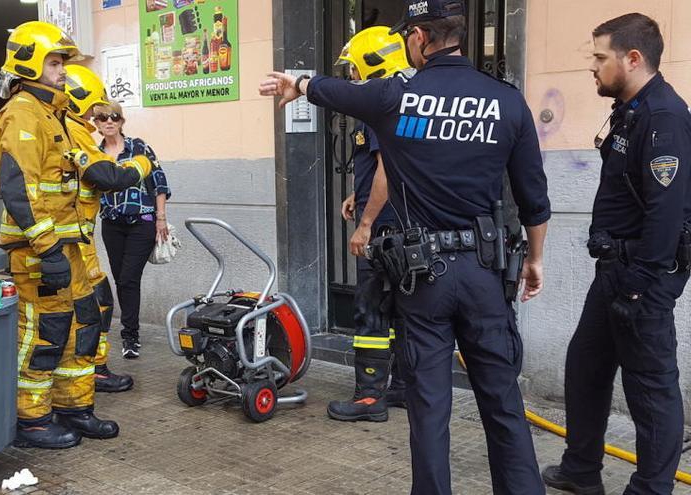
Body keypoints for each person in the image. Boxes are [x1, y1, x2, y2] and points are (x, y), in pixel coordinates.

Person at [260, 0, 551, 492]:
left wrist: (300, 84)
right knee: (502, 401)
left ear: (418, 38)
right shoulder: (505, 99)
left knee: (430, 406)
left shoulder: (398, 95)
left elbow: (343, 91)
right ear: (457, 34)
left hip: (425, 276)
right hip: (486, 272)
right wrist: (536, 260)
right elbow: (534, 198)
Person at [542, 14, 691, 495]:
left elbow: (666, 215)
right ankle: (582, 470)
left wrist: (639, 284)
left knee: (650, 389)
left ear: (632, 58)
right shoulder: (630, 110)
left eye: (601, 57)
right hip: (615, 268)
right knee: (585, 365)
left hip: (641, 274)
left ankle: (651, 488)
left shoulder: (664, 117)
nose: (593, 66)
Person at [0, 21, 122, 449]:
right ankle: (32, 419)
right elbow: (18, 186)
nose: (62, 68)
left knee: (84, 323)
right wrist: (46, 247)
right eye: (54, 60)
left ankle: (74, 407)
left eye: (63, 60)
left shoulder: (55, 113)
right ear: (28, 61)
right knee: (44, 331)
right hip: (38, 251)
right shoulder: (22, 114)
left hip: (72, 247)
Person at [325, 26, 409, 423]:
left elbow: (387, 169)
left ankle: (370, 397)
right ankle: (405, 388)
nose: (351, 79)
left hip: (383, 230)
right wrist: (356, 197)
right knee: (404, 311)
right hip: (401, 226)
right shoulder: (403, 99)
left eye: (353, 70)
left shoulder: (379, 106)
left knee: (371, 311)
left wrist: (366, 223)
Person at [63, 64, 152, 393]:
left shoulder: (66, 128)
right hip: (71, 237)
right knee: (93, 302)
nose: (98, 119)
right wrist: (140, 165)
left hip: (78, 235)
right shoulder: (75, 134)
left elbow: (158, 187)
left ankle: (94, 366)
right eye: (95, 113)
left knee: (102, 297)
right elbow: (108, 178)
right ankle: (90, 369)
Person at [93, 100, 171, 359]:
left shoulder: (139, 147)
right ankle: (130, 331)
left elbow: (159, 181)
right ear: (97, 124)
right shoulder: (95, 154)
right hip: (112, 224)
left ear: (122, 121)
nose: (109, 122)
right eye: (103, 118)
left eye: (114, 117)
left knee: (128, 279)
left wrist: (161, 219)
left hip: (143, 221)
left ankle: (130, 336)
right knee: (120, 279)